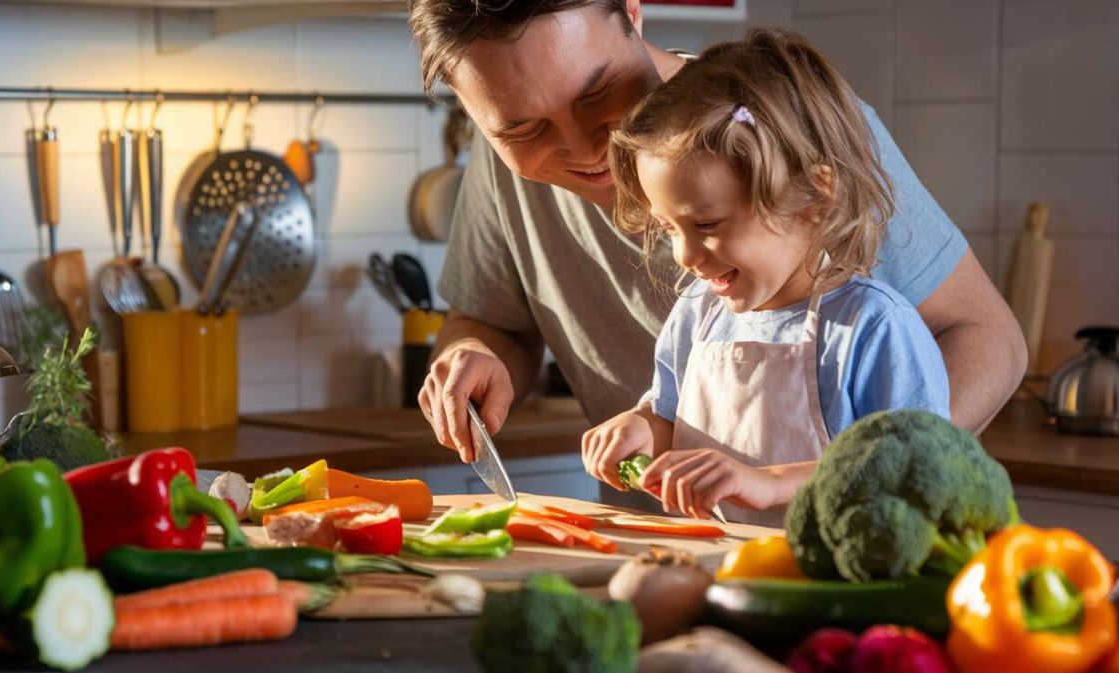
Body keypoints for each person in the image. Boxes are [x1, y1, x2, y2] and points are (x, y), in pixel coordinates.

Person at [408, 0, 1024, 504]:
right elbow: (493, 323)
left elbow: (987, 336)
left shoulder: (785, 133)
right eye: (522, 129)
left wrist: (859, 490)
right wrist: (470, 354)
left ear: (631, 10)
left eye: (595, 94)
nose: (584, 148)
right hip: (665, 547)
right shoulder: (501, 171)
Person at [580, 28, 949, 526]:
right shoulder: (697, 317)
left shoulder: (873, 327)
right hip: (714, 578)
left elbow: (915, 470)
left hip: (834, 592)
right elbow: (670, 419)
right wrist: (642, 430)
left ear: (813, 200)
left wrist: (770, 483)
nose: (684, 255)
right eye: (669, 227)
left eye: (706, 225)